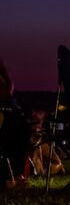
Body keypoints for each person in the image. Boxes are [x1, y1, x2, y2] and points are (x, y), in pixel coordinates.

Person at [0, 59, 30, 188]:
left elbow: (9, 97)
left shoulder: (5, 82)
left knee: (20, 126)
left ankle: (17, 174)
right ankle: (14, 175)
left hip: (8, 118)